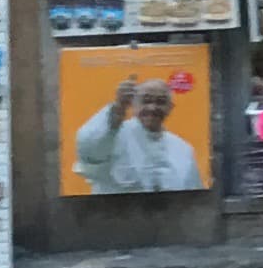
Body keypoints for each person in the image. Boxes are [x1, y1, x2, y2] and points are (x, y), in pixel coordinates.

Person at [72, 77, 203, 194]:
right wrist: (118, 109)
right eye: (146, 101)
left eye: (160, 102)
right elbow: (88, 151)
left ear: (170, 107)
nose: (152, 107)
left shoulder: (183, 150)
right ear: (133, 104)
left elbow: (194, 196)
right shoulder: (113, 135)